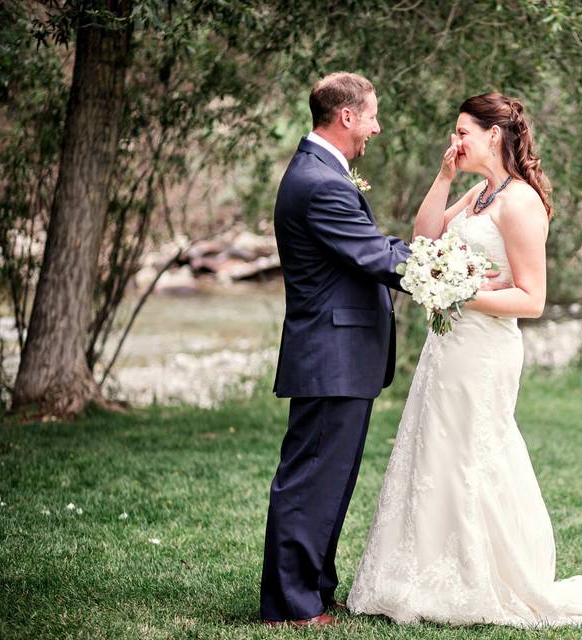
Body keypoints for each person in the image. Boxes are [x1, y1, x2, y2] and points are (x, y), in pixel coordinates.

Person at [347, 93, 582, 626]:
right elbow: (423, 239)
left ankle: (483, 579)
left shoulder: (520, 202)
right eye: (453, 132)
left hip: (485, 349)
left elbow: (532, 300)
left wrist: (458, 293)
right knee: (434, 452)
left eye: (463, 132)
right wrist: (443, 180)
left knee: (473, 455)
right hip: (449, 346)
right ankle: (422, 576)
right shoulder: (480, 193)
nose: (455, 141)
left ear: (495, 135)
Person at [259, 72, 410, 628]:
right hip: (331, 356)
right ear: (346, 117)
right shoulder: (320, 181)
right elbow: (376, 258)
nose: (377, 125)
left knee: (329, 481)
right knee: (310, 482)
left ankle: (314, 590)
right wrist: (455, 272)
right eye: (371, 114)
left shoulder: (321, 172)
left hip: (339, 357)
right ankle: (291, 606)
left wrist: (425, 253)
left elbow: (372, 247)